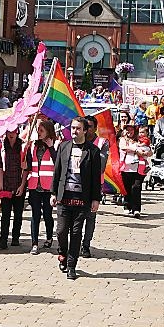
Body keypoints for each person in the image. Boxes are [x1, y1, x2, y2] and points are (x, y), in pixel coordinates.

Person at [50, 117, 101, 280]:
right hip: (64, 196)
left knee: (77, 232)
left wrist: (95, 199)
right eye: (72, 128)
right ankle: (63, 252)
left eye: (78, 128)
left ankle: (72, 265)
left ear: (85, 131)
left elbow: (95, 178)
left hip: (82, 198)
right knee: (61, 231)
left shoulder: (93, 151)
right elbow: (57, 171)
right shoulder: (64, 147)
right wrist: (53, 192)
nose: (74, 131)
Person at [21, 119, 57, 255]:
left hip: (48, 187)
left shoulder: (56, 144)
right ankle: (34, 243)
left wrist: (52, 147)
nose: (39, 133)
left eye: (42, 130)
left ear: (48, 131)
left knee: (47, 215)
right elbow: (28, 165)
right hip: (34, 186)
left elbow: (58, 162)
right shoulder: (32, 146)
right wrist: (25, 163)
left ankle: (49, 237)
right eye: (38, 130)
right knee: (35, 215)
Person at [81, 115, 110, 258]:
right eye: (84, 127)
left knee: (90, 216)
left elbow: (101, 165)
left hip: (94, 186)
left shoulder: (102, 142)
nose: (86, 130)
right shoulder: (76, 142)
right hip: (77, 185)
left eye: (90, 127)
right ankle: (75, 243)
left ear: (95, 128)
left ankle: (86, 245)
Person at [0, 129, 25, 249]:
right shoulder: (1, 146)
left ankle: (15, 238)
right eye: (9, 132)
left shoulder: (23, 146)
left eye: (14, 132)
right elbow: (0, 165)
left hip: (18, 184)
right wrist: (0, 183)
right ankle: (3, 239)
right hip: (6, 184)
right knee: (5, 214)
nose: (11, 134)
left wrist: (22, 185)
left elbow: (26, 169)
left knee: (18, 214)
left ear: (17, 133)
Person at [119, 121, 152, 217]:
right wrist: (136, 150)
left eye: (131, 129)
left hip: (140, 167)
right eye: (127, 129)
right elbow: (123, 147)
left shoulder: (140, 139)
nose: (129, 131)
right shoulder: (122, 139)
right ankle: (127, 205)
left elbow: (150, 151)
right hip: (126, 167)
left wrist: (146, 153)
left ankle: (136, 209)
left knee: (136, 187)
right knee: (127, 188)